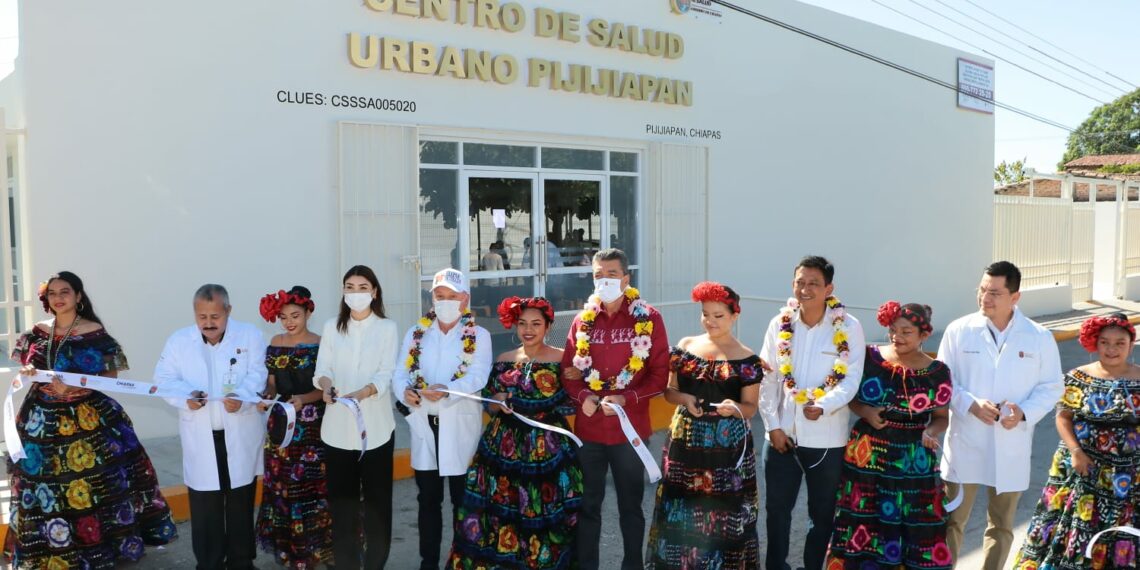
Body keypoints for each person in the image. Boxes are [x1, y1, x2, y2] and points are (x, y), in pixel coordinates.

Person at [4, 271, 177, 568]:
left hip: (88, 419)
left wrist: (78, 385)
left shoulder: (93, 331)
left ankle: (96, 552)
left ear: (79, 296)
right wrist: (30, 370)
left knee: (93, 485)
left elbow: (111, 375)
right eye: (53, 293)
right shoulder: (38, 330)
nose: (59, 298)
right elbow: (27, 363)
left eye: (65, 292)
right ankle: (51, 551)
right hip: (41, 420)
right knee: (44, 485)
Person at [938, 261, 1063, 570]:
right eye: (982, 290)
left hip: (1011, 441)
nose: (985, 298)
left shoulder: (1038, 336)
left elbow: (1052, 386)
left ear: (1015, 297)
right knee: (952, 520)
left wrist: (1024, 413)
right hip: (966, 438)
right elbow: (942, 380)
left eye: (994, 292)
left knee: (1002, 525)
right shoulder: (959, 330)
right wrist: (969, 403)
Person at [446, 296, 582, 569]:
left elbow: (575, 400)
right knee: (498, 515)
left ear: (548, 326)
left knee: (542, 512)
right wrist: (497, 398)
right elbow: (490, 405)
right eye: (522, 323)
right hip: (502, 449)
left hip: (547, 450)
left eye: (535, 323)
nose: (528, 329)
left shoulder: (563, 360)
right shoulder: (504, 359)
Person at [560, 248, 670, 570]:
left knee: (630, 508)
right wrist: (584, 397)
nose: (604, 280)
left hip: (629, 432)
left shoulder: (648, 318)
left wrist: (626, 399)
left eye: (611, 274)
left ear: (626, 278)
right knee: (588, 507)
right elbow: (569, 372)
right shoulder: (583, 321)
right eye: (598, 274)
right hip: (590, 432)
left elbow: (660, 376)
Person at [826, 301, 953, 568]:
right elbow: (850, 398)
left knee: (912, 523)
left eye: (906, 332)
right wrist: (866, 412)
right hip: (867, 456)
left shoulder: (937, 373)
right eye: (893, 330)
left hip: (913, 460)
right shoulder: (869, 358)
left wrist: (931, 431)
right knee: (863, 518)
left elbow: (941, 418)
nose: (897, 337)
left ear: (924, 335)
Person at [758, 255, 866, 570]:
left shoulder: (848, 326)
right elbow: (768, 378)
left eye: (813, 283)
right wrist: (773, 426)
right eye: (800, 282)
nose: (805, 289)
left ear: (828, 288)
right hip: (781, 436)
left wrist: (824, 404)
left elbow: (851, 379)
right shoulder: (780, 323)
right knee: (777, 511)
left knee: (821, 515)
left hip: (826, 439)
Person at [645, 281, 762, 569]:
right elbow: (669, 392)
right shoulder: (686, 346)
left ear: (735, 315)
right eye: (705, 314)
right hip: (685, 442)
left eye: (718, 315)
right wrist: (684, 398)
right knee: (681, 508)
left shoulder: (747, 358)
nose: (710, 321)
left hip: (728, 449)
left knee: (726, 515)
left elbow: (750, 408)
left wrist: (734, 409)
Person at [1012, 313, 1140, 569]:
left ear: (1130, 344)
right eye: (1105, 342)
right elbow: (1063, 418)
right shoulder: (1077, 377)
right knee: (1072, 524)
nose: (1111, 349)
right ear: (1095, 343)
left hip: (1128, 472)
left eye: (1119, 343)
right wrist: (1076, 451)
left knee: (1121, 527)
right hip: (1082, 464)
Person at [156, 284, 267, 570]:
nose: (208, 322)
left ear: (228, 311)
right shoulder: (179, 341)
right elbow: (164, 379)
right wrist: (186, 397)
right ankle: (209, 563)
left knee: (240, 502)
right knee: (206, 506)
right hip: (201, 436)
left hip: (239, 431)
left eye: (215, 316)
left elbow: (258, 373)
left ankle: (242, 562)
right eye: (201, 316)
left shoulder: (250, 336)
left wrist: (241, 398)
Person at [395, 268, 493, 570]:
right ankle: (429, 562)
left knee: (462, 501)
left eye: (453, 296)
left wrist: (447, 389)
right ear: (432, 298)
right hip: (427, 425)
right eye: (440, 296)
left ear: (465, 299)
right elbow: (400, 372)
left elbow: (477, 376)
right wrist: (405, 393)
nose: (446, 301)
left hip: (460, 426)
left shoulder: (479, 335)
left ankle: (462, 560)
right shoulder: (416, 332)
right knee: (428, 500)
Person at [314, 266, 400, 569]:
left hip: (376, 431)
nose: (356, 293)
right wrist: (326, 387)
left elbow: (387, 372)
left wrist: (365, 392)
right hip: (337, 431)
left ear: (374, 292)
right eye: (349, 287)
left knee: (378, 508)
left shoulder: (387, 328)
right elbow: (322, 370)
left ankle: (375, 563)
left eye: (363, 287)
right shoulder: (331, 326)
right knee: (342, 509)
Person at [254, 286, 333, 569]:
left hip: (311, 426)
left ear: (308, 313)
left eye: (295, 315)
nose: (289, 321)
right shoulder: (275, 341)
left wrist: (304, 399)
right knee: (282, 486)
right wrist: (263, 396)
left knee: (310, 488)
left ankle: (314, 549)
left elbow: (325, 387)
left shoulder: (321, 343)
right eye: (284, 316)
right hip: (280, 424)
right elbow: (273, 384)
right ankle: (291, 550)